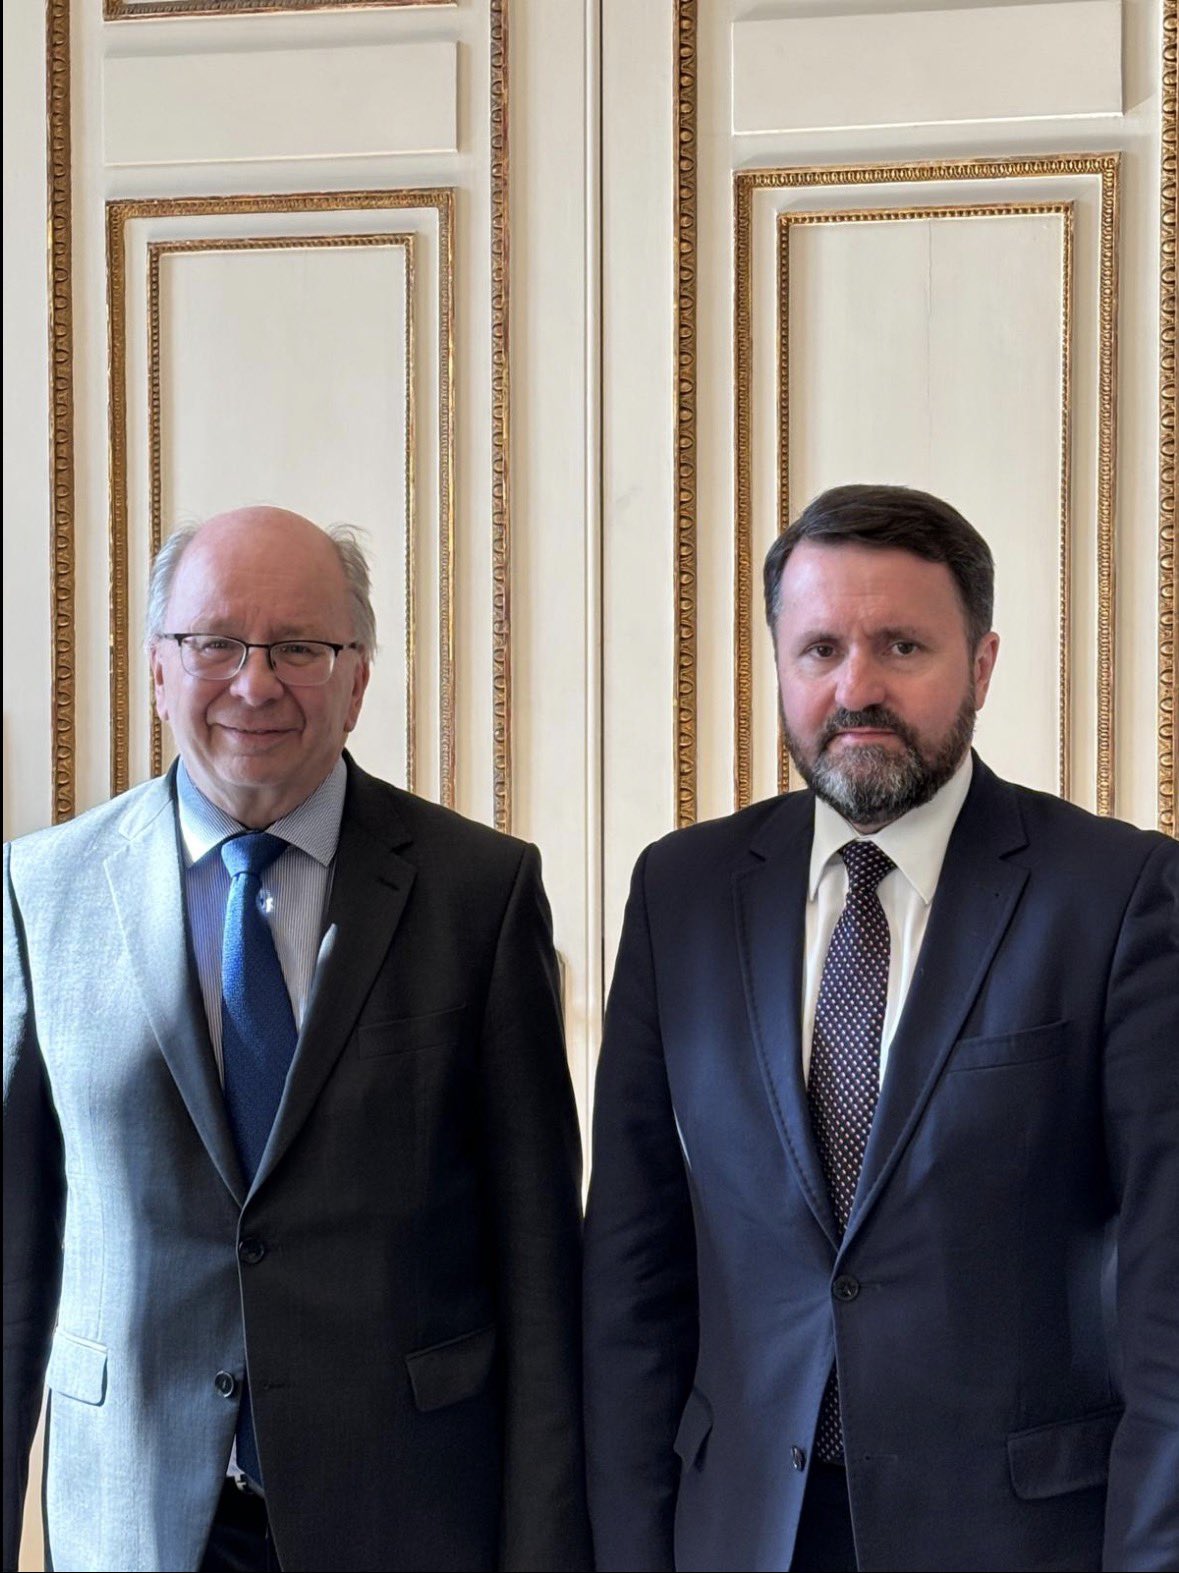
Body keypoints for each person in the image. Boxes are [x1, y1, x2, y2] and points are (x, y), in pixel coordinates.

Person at [583, 484, 1179, 1572]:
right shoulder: (683, 891)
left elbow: (1166, 1289)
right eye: (819, 649)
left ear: (981, 665)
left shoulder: (1116, 893)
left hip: (1016, 1537)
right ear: (778, 665)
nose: (856, 687)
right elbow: (631, 1268)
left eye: (902, 646)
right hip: (742, 1530)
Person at [3, 506, 590, 1573]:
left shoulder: (480, 892)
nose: (254, 683)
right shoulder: (44, 892)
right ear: (157, 668)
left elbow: (541, 1273)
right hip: (133, 1518)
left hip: (405, 1515)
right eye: (215, 643)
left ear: (357, 679)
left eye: (300, 648)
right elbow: (11, 1262)